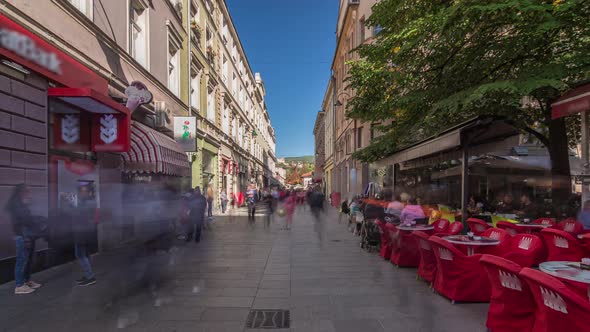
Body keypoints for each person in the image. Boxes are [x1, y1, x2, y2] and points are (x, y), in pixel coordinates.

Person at [5, 184, 41, 294]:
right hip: (22, 236)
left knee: (29, 259)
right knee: (22, 260)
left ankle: (27, 281)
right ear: (21, 192)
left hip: (28, 235)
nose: (29, 193)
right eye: (27, 191)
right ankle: (19, 286)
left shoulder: (21, 203)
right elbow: (24, 219)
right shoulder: (17, 204)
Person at [73, 184, 97, 286]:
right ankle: (88, 275)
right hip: (86, 232)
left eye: (84, 191)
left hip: (82, 233)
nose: (81, 193)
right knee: (86, 255)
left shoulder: (87, 203)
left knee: (80, 254)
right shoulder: (88, 202)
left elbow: (79, 215)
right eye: (81, 191)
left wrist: (71, 204)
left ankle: (90, 276)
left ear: (88, 192)